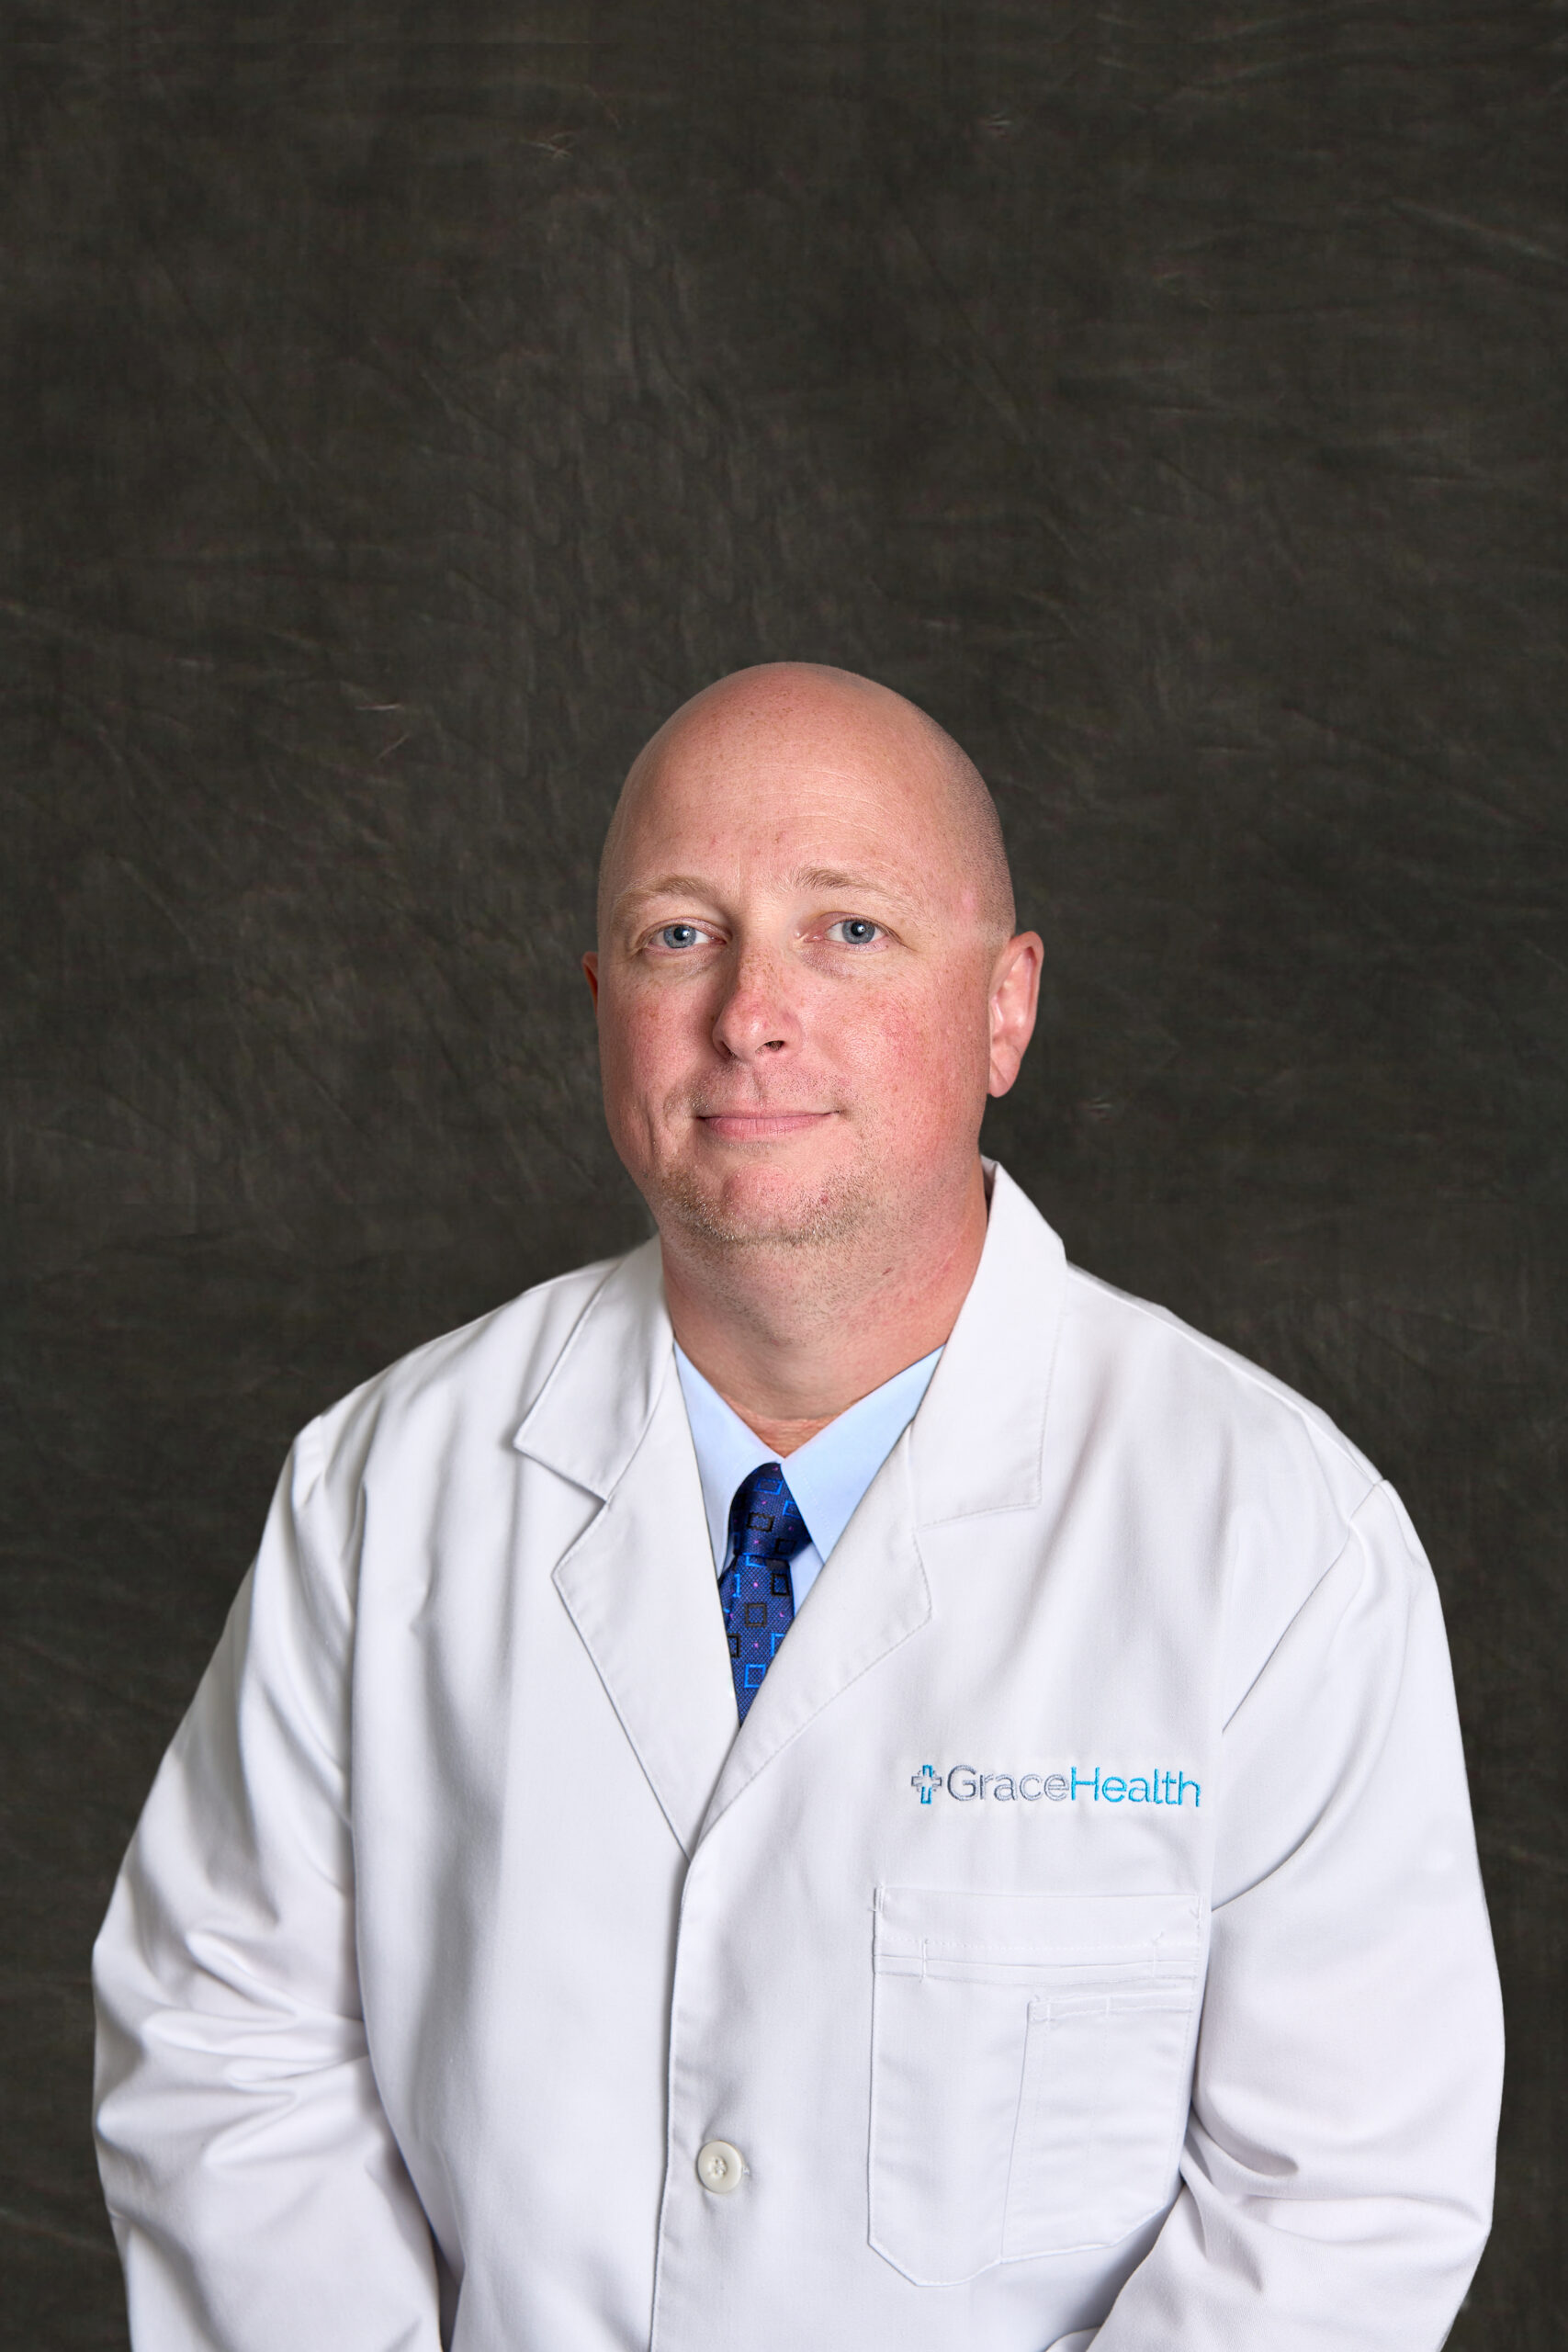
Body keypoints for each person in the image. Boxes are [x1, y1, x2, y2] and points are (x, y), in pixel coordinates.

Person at [93, 662, 1503, 2352]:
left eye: (850, 931)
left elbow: (1334, 2207)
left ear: (1007, 1007)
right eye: (681, 934)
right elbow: (222, 2060)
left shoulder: (1280, 1545)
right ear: (598, 995)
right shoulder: (384, 1488)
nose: (751, 1013)